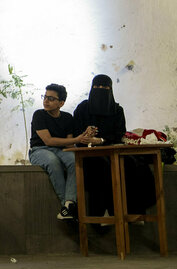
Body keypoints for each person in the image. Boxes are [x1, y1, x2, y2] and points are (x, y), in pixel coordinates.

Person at [73, 74, 156, 218]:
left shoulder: (117, 110)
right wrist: (85, 135)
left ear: (110, 89)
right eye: (96, 86)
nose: (100, 90)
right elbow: (75, 132)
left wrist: (101, 140)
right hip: (88, 155)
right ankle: (105, 212)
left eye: (104, 87)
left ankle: (134, 211)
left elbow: (119, 134)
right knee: (102, 167)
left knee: (134, 164)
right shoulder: (82, 108)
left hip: (112, 151)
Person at [29, 84, 90, 220]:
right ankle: (67, 206)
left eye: (51, 98)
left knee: (75, 160)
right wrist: (76, 139)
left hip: (62, 150)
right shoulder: (39, 115)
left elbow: (69, 143)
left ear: (61, 103)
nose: (46, 101)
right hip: (39, 150)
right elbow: (48, 141)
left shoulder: (68, 118)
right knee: (52, 161)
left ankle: (68, 203)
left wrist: (82, 138)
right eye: (45, 97)